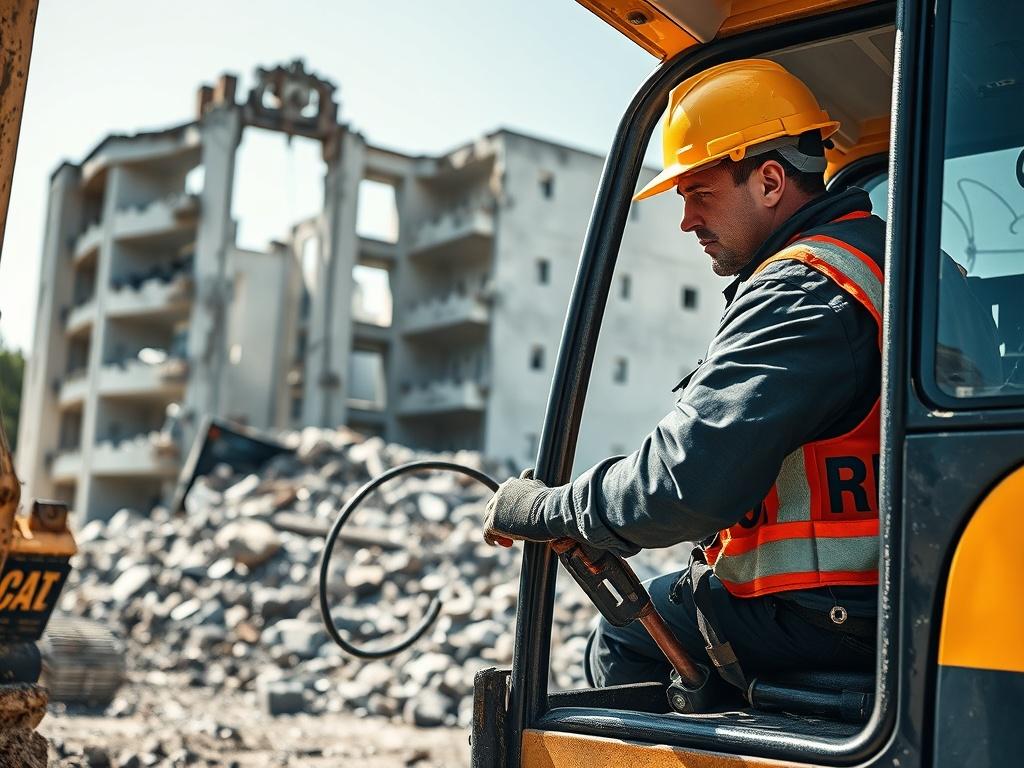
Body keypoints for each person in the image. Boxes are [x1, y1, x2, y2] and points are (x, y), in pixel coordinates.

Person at [481, 59, 883, 693]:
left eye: (700, 192)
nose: (687, 220)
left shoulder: (804, 289)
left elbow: (683, 484)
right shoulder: (883, 258)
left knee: (624, 639)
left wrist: (551, 508)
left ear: (771, 180)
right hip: (889, 597)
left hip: (832, 614)